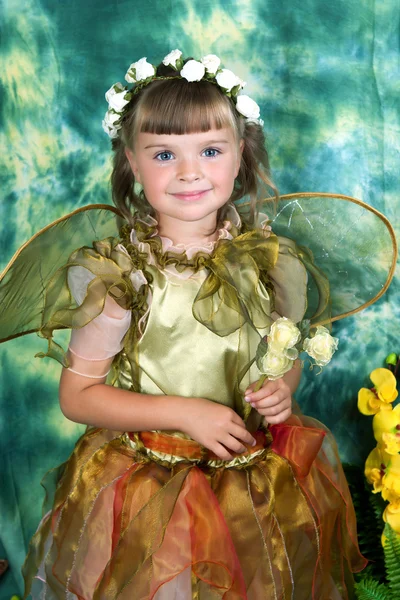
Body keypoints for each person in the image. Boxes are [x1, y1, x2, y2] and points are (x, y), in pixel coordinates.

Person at [0, 50, 396, 600]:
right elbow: (78, 396)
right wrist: (184, 413)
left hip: (251, 476)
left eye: (210, 150)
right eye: (164, 153)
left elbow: (285, 357)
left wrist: (283, 390)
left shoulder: (269, 261)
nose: (189, 172)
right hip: (153, 487)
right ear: (133, 165)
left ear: (240, 158)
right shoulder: (120, 275)